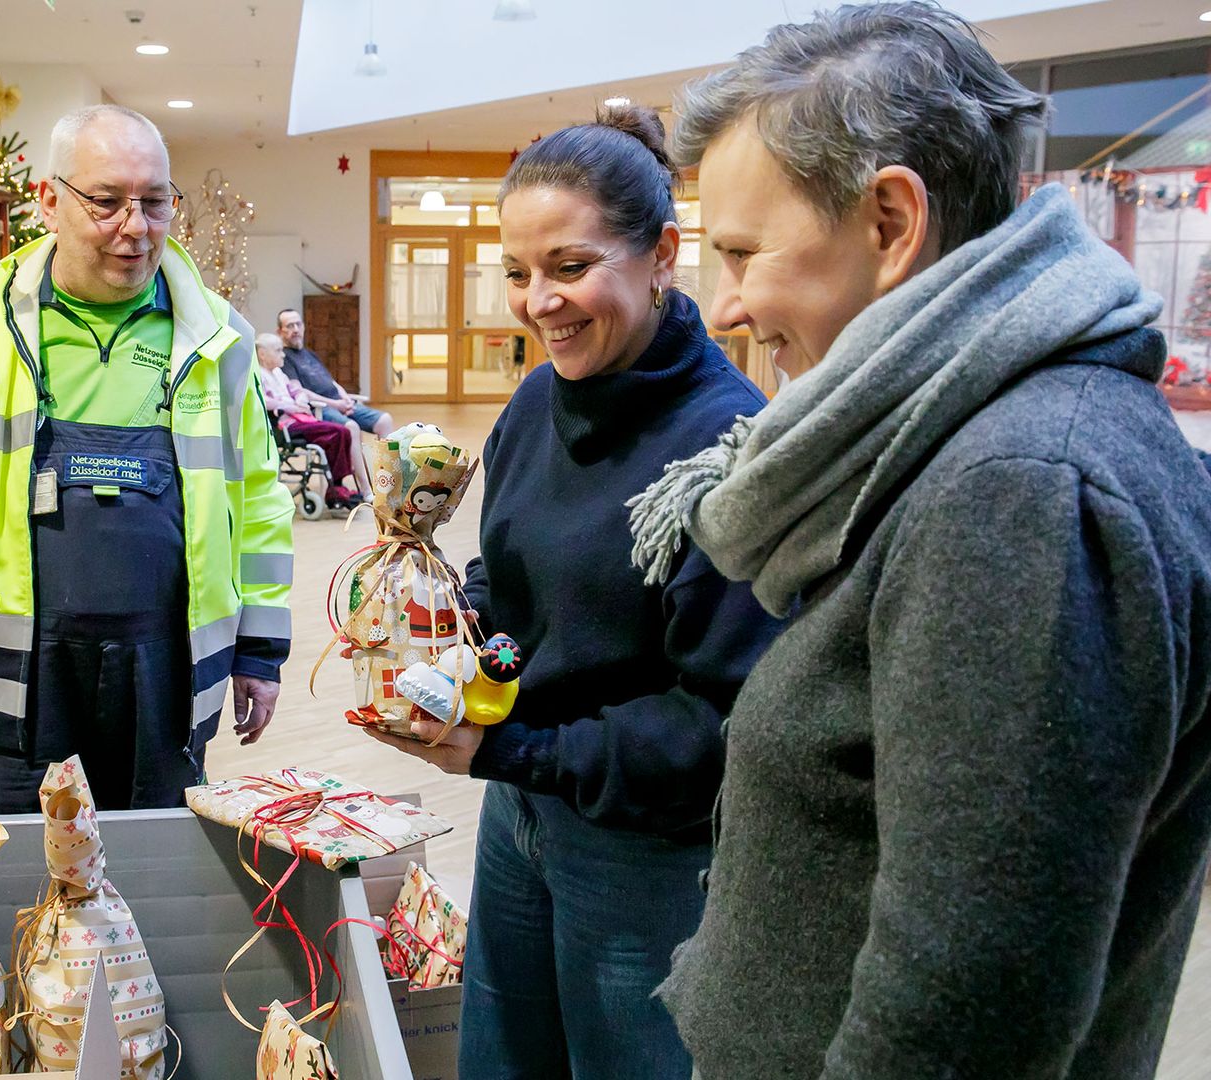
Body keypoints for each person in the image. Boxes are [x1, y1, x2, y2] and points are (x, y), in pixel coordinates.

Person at [627, 5, 1211, 1078]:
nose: (724, 307)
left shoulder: (1023, 493)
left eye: (746, 254)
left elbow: (963, 1008)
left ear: (892, 223)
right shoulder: (971, 443)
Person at [366, 107, 783, 1079]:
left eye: (569, 266)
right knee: (505, 1054)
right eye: (516, 272)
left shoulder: (728, 449)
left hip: (645, 851)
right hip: (520, 812)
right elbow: (507, 594)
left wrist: (513, 744)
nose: (537, 301)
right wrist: (457, 639)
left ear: (663, 255)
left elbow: (718, 726)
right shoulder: (531, 404)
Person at [0, 104, 294, 813]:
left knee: (160, 873)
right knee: (29, 880)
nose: (135, 227)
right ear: (48, 200)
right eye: (106, 201)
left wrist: (260, 651)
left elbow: (258, 499)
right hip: (23, 678)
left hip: (168, 672)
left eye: (154, 203)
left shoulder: (220, 337)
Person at [255, 332, 370, 508]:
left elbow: (296, 390)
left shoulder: (279, 373)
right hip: (285, 425)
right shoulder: (259, 375)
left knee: (341, 434)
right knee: (339, 431)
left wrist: (300, 399)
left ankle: (336, 485)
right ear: (263, 354)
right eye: (278, 351)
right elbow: (263, 401)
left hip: (301, 419)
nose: (283, 354)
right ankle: (336, 488)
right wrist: (290, 406)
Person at [276, 308, 394, 435]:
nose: (295, 329)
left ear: (303, 327)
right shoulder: (284, 358)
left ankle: (384, 455)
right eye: (290, 326)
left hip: (340, 403)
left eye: (298, 324)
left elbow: (332, 382)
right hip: (320, 408)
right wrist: (337, 405)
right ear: (279, 331)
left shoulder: (310, 354)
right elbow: (299, 392)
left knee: (384, 420)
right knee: (351, 427)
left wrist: (346, 400)